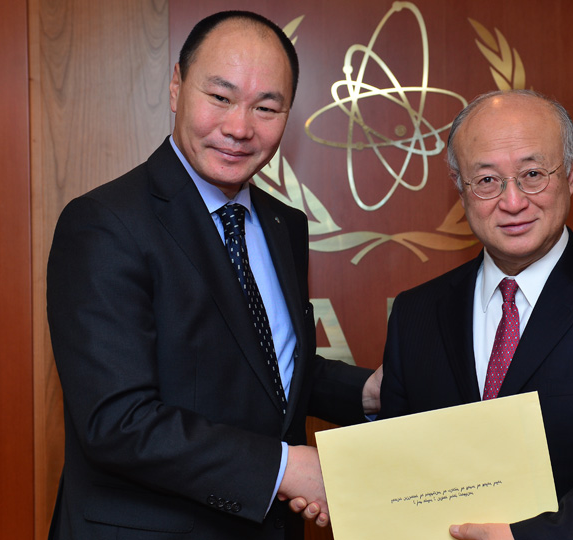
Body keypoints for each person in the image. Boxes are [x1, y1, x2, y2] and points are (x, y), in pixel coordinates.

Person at [46, 11, 381, 540]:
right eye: (220, 97)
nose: (240, 128)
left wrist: (371, 393)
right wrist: (285, 469)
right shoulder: (104, 223)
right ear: (177, 86)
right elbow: (116, 422)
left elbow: (265, 369)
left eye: (266, 107)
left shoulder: (283, 223)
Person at [378, 90, 573, 540]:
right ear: (459, 185)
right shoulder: (416, 313)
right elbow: (400, 460)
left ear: (570, 174)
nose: (512, 202)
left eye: (532, 175)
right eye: (486, 180)